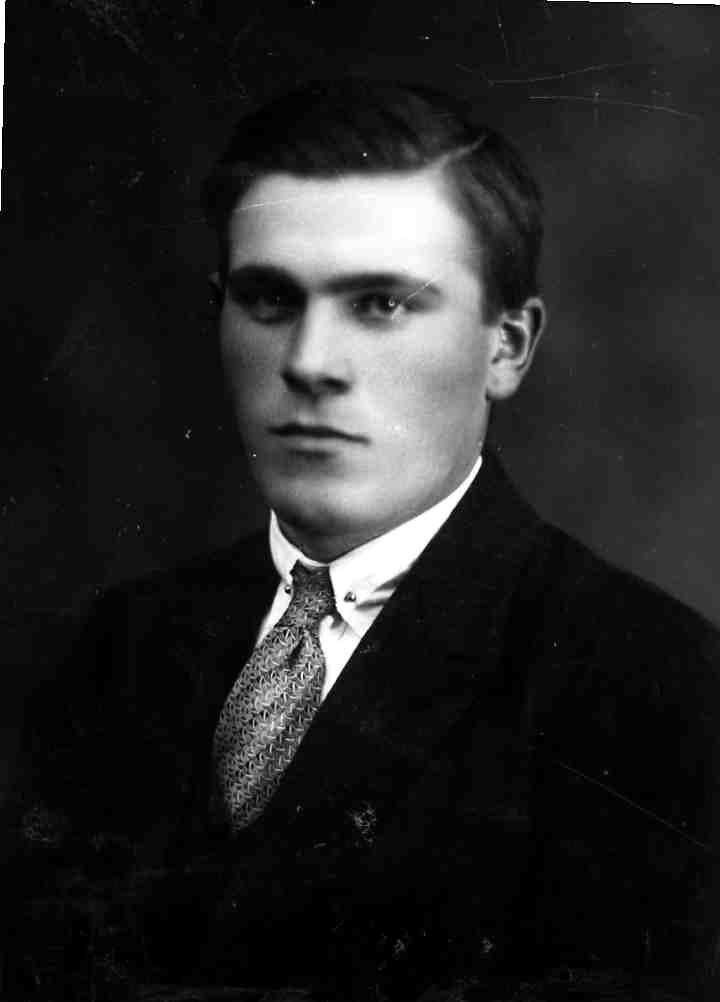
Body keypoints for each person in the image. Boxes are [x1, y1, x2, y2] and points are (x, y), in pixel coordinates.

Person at [3, 79, 720, 1002]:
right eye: (269, 299)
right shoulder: (113, 649)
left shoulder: (656, 691)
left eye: (381, 303)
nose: (309, 363)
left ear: (507, 347)